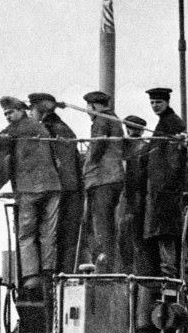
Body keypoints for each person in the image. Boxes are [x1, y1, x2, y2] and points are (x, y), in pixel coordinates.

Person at [0, 96, 61, 297]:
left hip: (30, 188)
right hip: (53, 186)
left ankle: (31, 278)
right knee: (48, 233)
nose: (8, 117)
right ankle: (48, 273)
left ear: (20, 110)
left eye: (10, 112)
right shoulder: (39, 127)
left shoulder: (20, 126)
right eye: (6, 114)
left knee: (26, 234)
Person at [28, 92, 83, 274]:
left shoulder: (48, 130)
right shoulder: (63, 127)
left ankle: (54, 278)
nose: (30, 114)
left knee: (55, 236)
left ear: (40, 111)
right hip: (71, 188)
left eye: (32, 110)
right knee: (66, 238)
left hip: (60, 190)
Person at [143, 87, 187, 278]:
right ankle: (166, 272)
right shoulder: (165, 122)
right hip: (160, 190)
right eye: (152, 103)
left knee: (165, 234)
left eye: (158, 102)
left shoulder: (172, 124)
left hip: (165, 191)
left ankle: (168, 273)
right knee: (162, 234)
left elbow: (173, 160)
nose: (155, 106)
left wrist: (163, 186)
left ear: (167, 102)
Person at [81, 91, 124, 271]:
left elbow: (96, 149)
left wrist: (86, 168)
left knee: (99, 226)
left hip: (101, 180)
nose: (88, 112)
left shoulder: (100, 121)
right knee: (108, 226)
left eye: (88, 108)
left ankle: (103, 267)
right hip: (115, 178)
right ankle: (108, 264)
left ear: (94, 106)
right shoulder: (116, 120)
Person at [116, 115, 150, 275]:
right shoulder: (138, 146)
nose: (132, 131)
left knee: (129, 234)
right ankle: (133, 271)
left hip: (132, 197)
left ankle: (132, 271)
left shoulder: (137, 148)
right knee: (131, 236)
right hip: (132, 197)